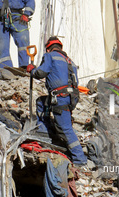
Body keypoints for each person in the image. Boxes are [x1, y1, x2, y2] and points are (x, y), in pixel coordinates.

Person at [26, 36, 87, 166]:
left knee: (65, 129)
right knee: (41, 102)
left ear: (48, 48)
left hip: (60, 97)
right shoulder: (70, 61)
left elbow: (40, 73)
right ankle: (44, 131)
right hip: (71, 98)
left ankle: (79, 159)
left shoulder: (50, 56)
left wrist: (32, 69)